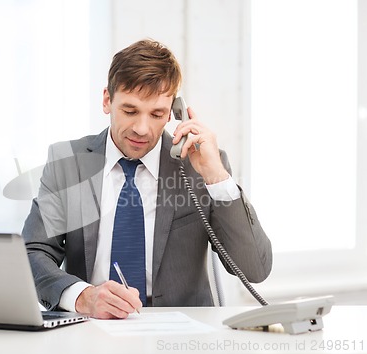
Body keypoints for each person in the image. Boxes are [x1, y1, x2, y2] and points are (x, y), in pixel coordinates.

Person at [22, 39, 272, 320]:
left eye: (157, 114)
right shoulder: (68, 163)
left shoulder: (199, 167)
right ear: (107, 100)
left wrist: (216, 177)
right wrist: (82, 296)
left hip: (182, 334)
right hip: (91, 328)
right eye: (130, 111)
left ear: (174, 111)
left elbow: (255, 268)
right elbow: (33, 254)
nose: (142, 129)